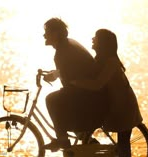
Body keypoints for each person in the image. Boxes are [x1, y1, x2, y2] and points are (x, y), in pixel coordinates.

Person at [71, 29, 143, 157]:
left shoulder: (111, 63)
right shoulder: (101, 60)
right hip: (114, 105)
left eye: (96, 37)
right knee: (85, 128)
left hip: (124, 107)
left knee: (123, 144)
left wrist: (75, 82)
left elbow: (97, 84)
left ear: (103, 43)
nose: (92, 39)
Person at [42, 18, 104, 151]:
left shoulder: (62, 52)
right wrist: (55, 75)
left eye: (47, 31)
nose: (44, 35)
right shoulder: (69, 44)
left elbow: (70, 79)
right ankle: (86, 142)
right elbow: (70, 71)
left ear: (55, 34)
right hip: (92, 96)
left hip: (88, 97)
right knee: (61, 101)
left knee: (51, 100)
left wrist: (56, 75)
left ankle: (62, 140)